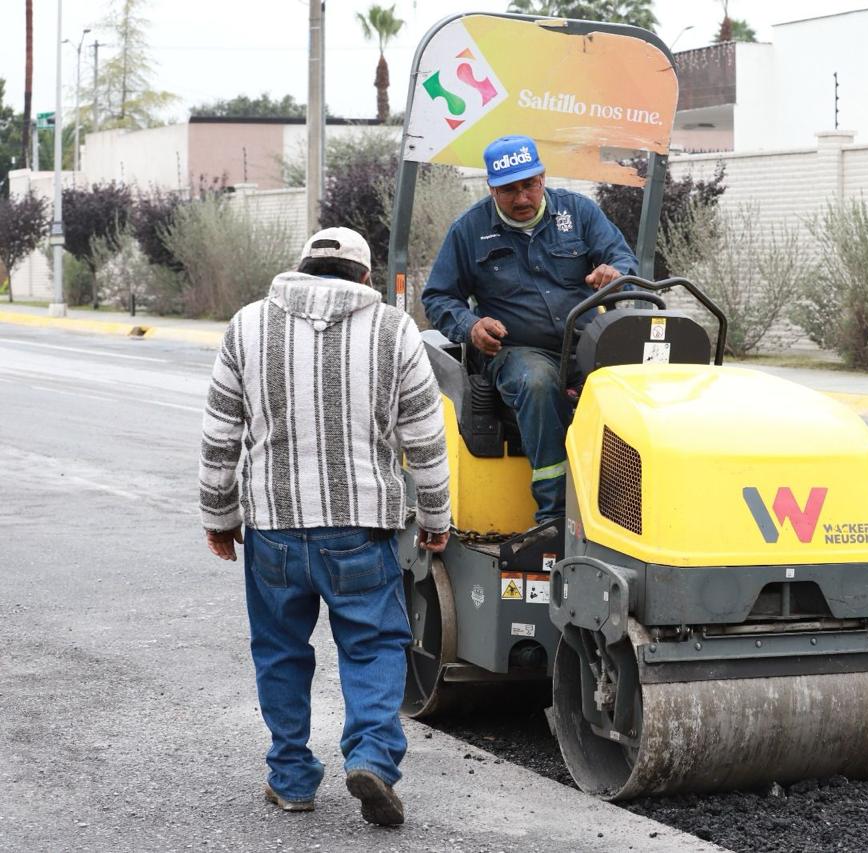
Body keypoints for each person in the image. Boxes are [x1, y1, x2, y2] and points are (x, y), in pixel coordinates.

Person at [199, 226, 450, 826]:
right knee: (374, 645)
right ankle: (371, 757)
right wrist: (436, 517)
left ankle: (290, 778)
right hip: (360, 527)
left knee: (281, 649)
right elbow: (424, 434)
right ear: (365, 277)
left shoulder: (248, 325)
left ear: (302, 268)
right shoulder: (394, 330)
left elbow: (219, 435)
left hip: (273, 527)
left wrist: (218, 514)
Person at [422, 135, 639, 523]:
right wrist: (471, 326)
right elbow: (438, 298)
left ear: (542, 177)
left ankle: (627, 506)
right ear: (491, 188)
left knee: (637, 386)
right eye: (508, 190)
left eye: (529, 186)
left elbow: (621, 258)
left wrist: (615, 272)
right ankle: (555, 515)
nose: (522, 198)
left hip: (587, 343)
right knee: (539, 383)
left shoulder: (580, 214)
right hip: (516, 353)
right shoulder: (468, 231)